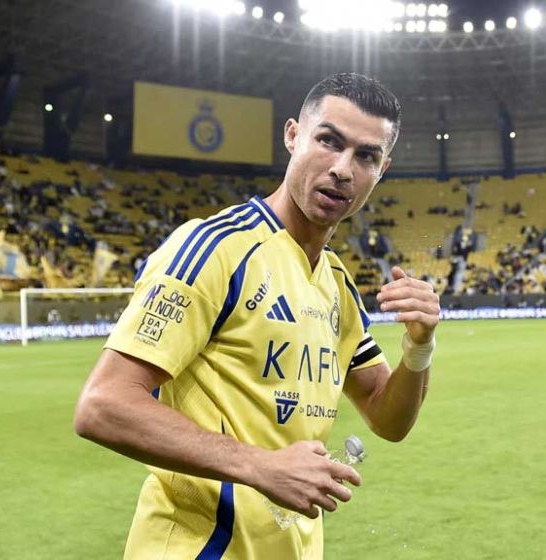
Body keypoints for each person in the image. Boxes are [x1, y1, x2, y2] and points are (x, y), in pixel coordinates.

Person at [73, 73, 440, 560]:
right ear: (292, 135)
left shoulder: (336, 282)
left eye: (366, 157)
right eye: (328, 141)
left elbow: (386, 417)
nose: (342, 169)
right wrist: (261, 466)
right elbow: (102, 405)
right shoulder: (216, 248)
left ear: (382, 170)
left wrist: (419, 347)